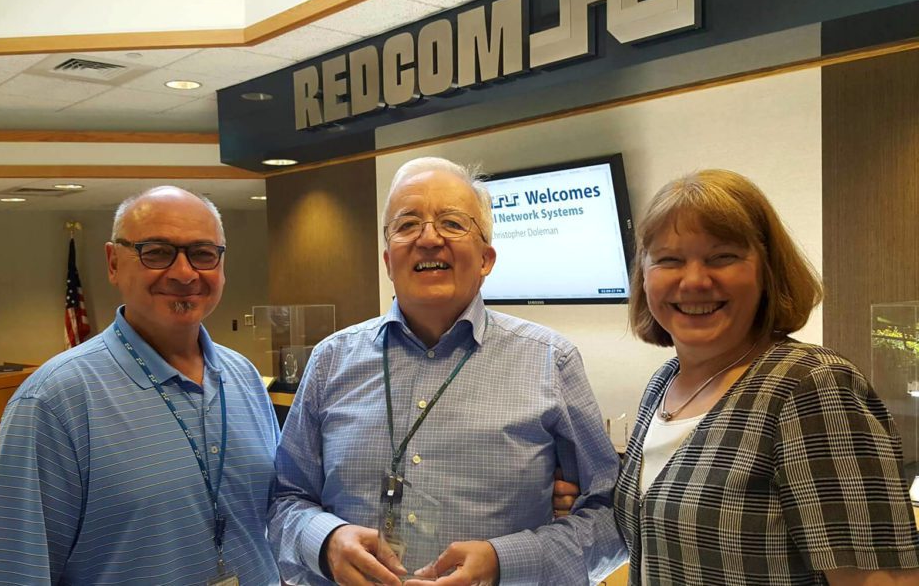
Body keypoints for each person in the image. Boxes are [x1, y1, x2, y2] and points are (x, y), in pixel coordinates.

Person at [268, 157, 626, 586]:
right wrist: (325, 542)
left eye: (453, 224)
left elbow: (611, 518)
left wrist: (505, 561)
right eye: (407, 224)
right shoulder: (330, 362)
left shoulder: (552, 361)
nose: (429, 238)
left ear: (486, 258)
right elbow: (285, 500)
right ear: (387, 259)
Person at [614, 169, 919, 584]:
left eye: (722, 257)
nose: (695, 280)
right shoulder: (663, 384)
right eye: (669, 260)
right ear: (645, 276)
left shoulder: (812, 386)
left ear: (766, 271)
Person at [0, 187, 281, 585]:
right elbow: (6, 573)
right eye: (157, 252)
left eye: (202, 253)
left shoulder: (243, 377)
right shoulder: (53, 402)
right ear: (113, 263)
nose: (184, 273)